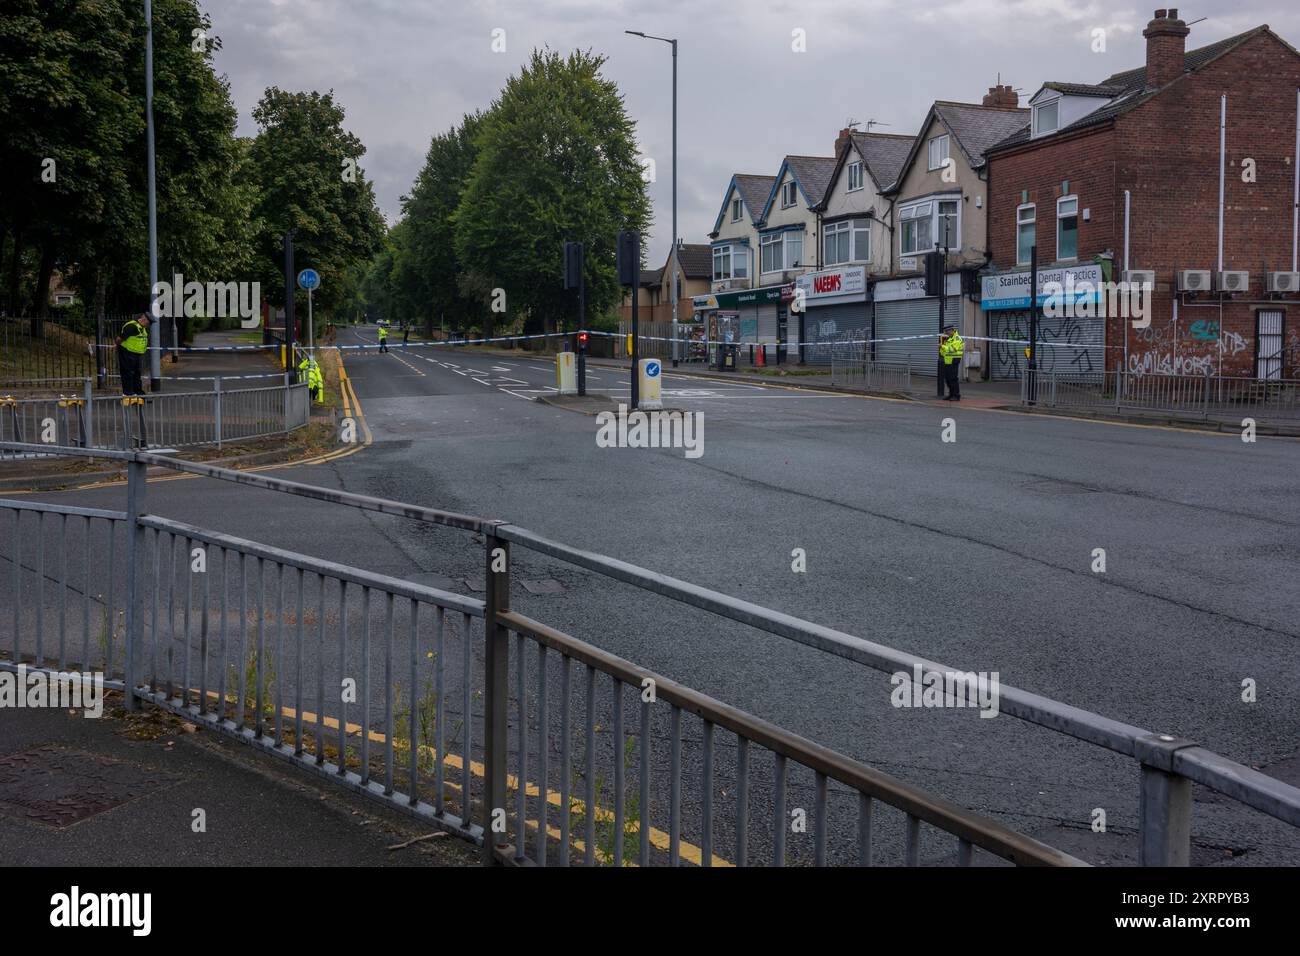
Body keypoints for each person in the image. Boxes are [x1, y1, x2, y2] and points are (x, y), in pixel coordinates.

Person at [115, 312, 151, 396]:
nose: (148, 325)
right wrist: (117, 345)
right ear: (144, 319)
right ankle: (128, 393)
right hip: (127, 353)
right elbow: (119, 338)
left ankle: (137, 392)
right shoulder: (131, 326)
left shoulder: (141, 327)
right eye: (148, 323)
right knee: (128, 373)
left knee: (136, 374)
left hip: (135, 355)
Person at [939, 324, 963, 401]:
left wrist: (943, 346)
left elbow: (953, 349)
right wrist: (941, 347)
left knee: (953, 379)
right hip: (947, 361)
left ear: (952, 330)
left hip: (954, 360)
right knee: (948, 379)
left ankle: (956, 395)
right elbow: (943, 352)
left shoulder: (957, 338)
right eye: (945, 331)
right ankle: (951, 394)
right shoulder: (948, 338)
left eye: (947, 331)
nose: (946, 333)